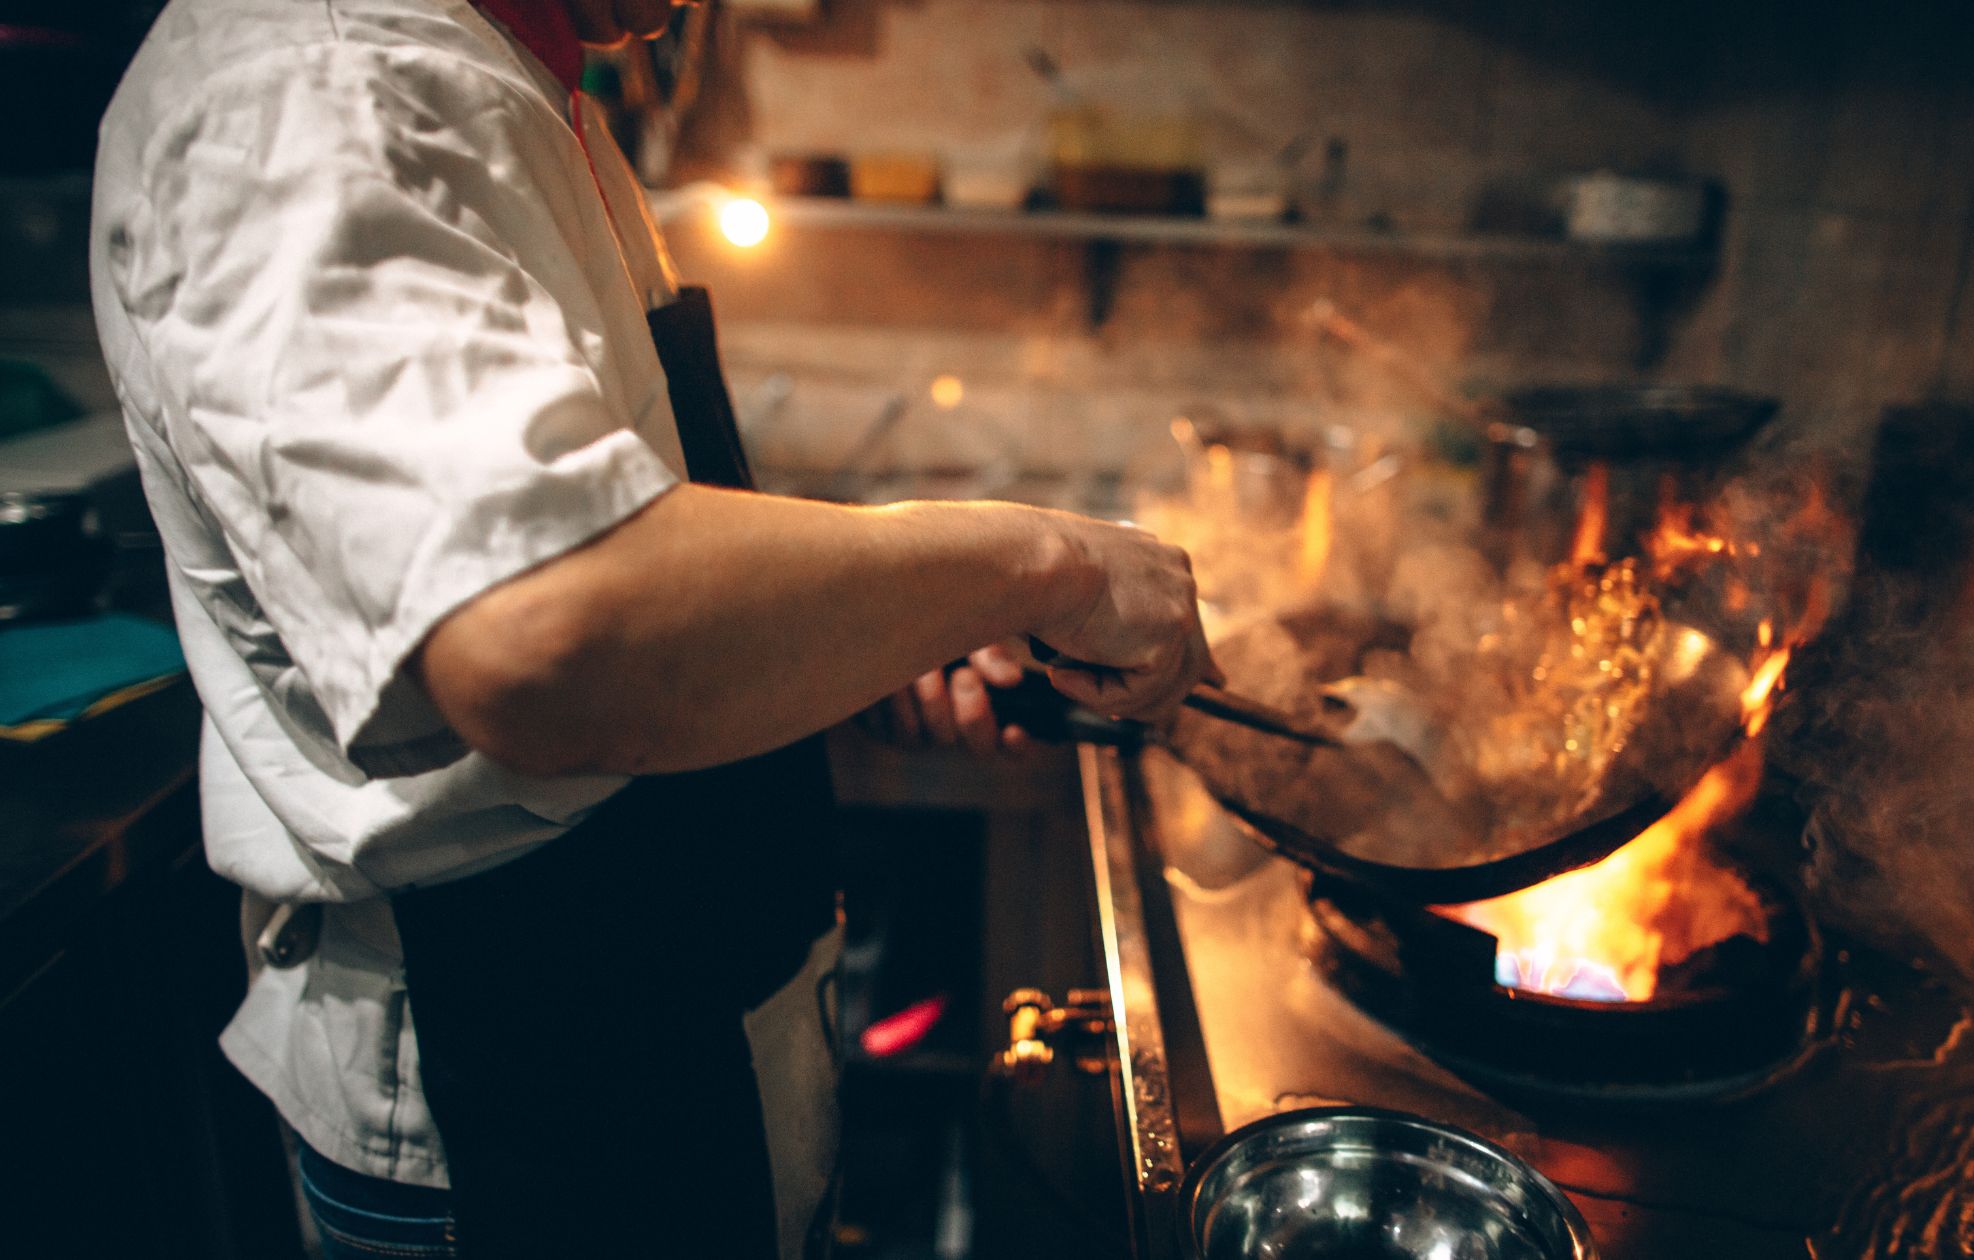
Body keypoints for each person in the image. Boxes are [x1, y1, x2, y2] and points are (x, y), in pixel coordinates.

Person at [89, 0, 1215, 1256]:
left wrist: (873, 633)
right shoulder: (322, 81)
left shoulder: (506, 72)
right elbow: (547, 630)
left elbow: (621, 553)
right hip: (514, 1093)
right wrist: (1036, 563)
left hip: (660, 1037)